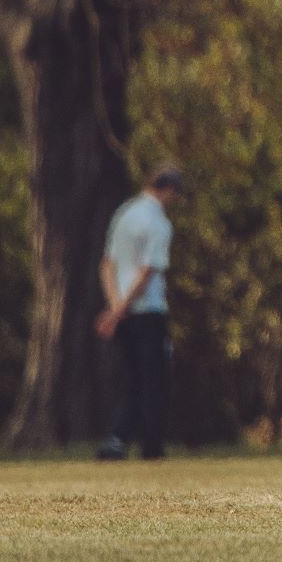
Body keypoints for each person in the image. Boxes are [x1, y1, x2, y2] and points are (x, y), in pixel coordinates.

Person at [96, 163, 185, 460]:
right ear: (168, 189)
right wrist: (119, 310)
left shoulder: (124, 214)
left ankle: (117, 439)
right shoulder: (158, 223)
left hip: (123, 310)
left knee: (133, 379)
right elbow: (147, 271)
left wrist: (114, 307)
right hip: (147, 310)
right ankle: (151, 445)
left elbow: (107, 264)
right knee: (154, 378)